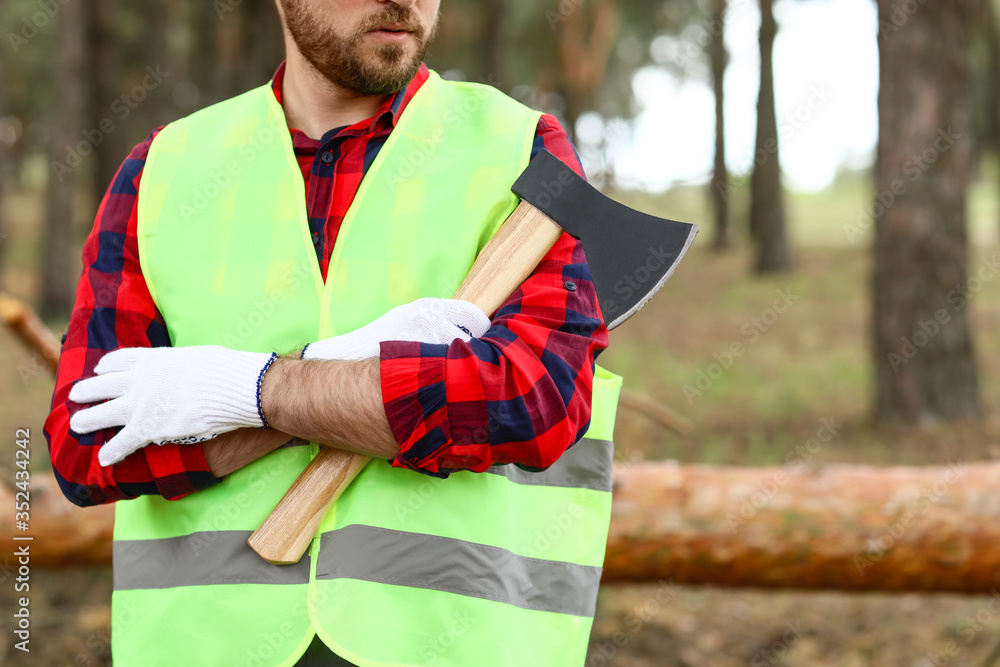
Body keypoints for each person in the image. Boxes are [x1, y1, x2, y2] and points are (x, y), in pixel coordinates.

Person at [45, 1, 622, 665]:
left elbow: (527, 400)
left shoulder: (518, 150)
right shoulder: (165, 170)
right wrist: (348, 376)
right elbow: (87, 447)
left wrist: (245, 390)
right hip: (205, 647)